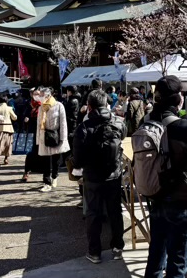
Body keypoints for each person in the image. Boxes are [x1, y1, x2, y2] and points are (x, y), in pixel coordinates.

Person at [142, 76, 187, 278]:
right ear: (178, 99)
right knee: (178, 263)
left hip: (154, 195)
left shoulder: (147, 120)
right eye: (182, 93)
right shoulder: (182, 127)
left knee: (156, 254)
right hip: (178, 199)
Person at [73, 89, 127, 264]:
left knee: (93, 213)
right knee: (115, 211)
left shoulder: (84, 128)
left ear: (89, 106)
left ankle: (94, 252)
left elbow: (78, 159)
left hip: (93, 177)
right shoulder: (118, 123)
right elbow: (123, 138)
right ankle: (118, 247)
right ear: (106, 104)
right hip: (114, 174)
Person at [35, 87, 70, 192]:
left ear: (48, 95)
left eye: (42, 95)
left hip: (55, 135)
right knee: (45, 160)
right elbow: (38, 124)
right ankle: (46, 182)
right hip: (44, 135)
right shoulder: (41, 108)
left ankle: (54, 176)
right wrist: (38, 139)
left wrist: (63, 138)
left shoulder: (59, 106)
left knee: (55, 159)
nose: (40, 97)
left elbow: (63, 123)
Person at [0, 90, 17, 167]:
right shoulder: (9, 108)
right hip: (8, 128)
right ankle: (6, 158)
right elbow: (14, 118)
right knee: (8, 144)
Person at [21, 87, 43, 182]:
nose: (36, 96)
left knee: (43, 153)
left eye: (38, 94)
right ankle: (26, 172)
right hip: (32, 131)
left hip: (42, 131)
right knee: (31, 153)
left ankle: (45, 175)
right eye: (35, 94)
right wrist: (26, 118)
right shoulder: (29, 104)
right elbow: (24, 114)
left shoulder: (44, 105)